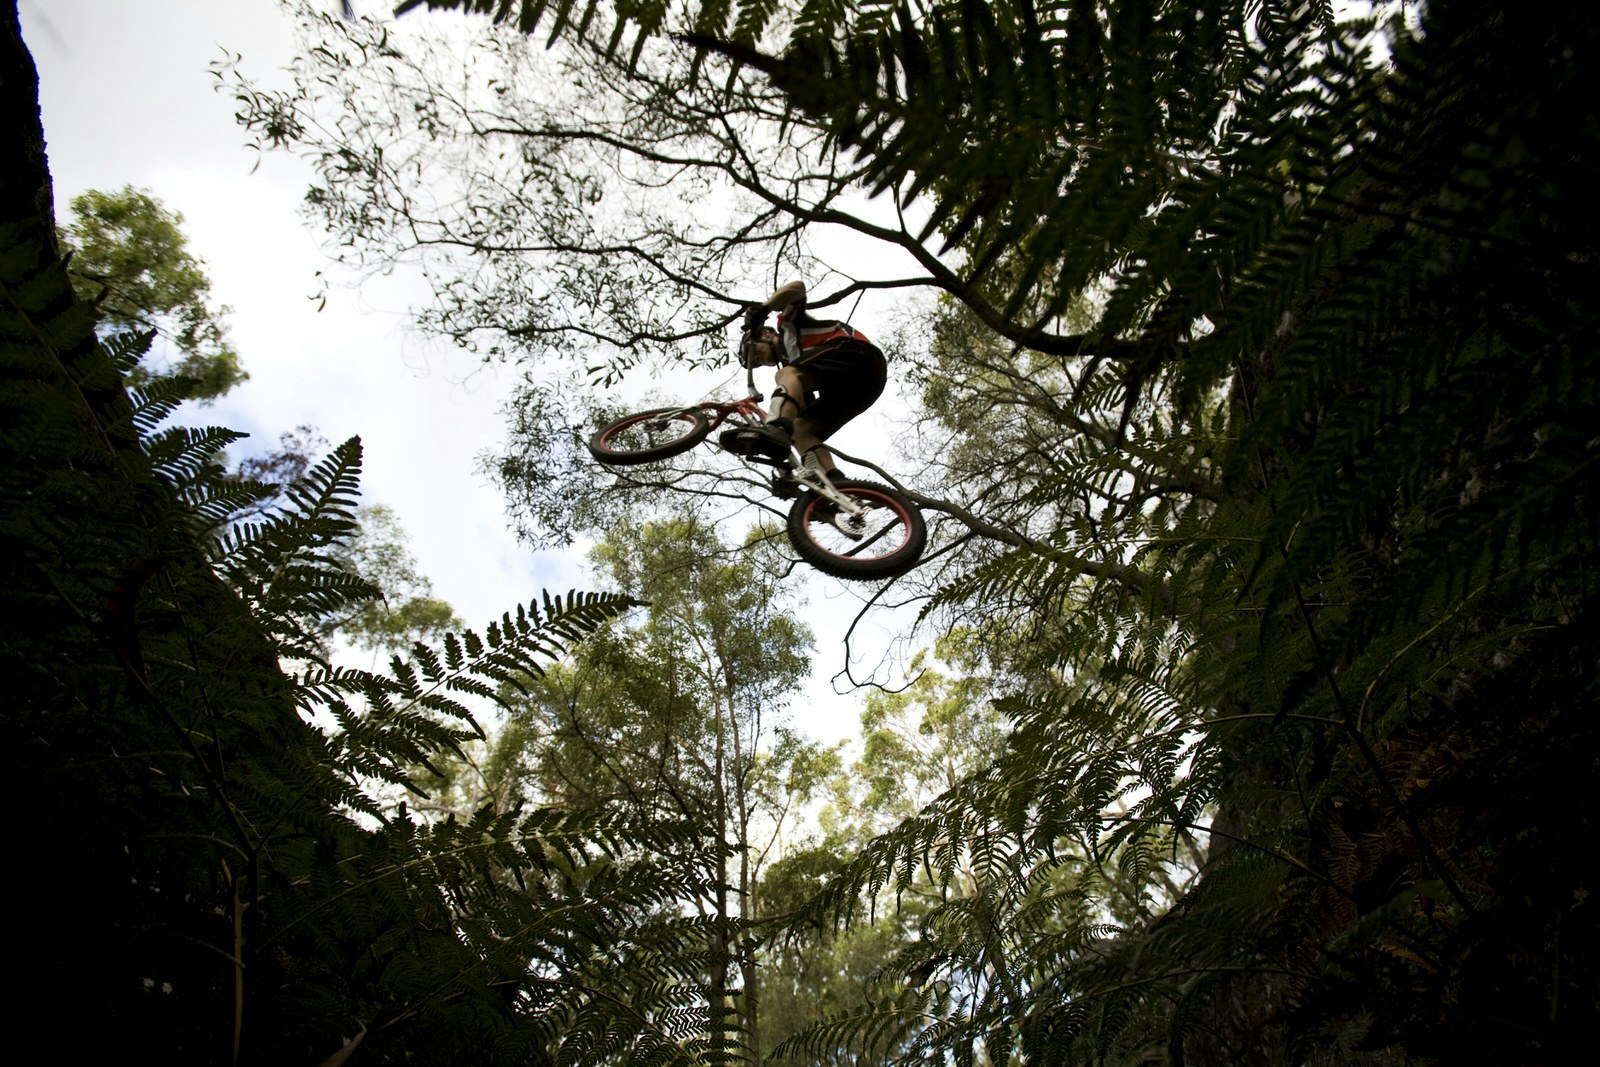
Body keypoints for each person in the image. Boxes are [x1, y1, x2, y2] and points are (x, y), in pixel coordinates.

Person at [731, 280, 887, 487]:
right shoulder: (799, 374)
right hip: (861, 387)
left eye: (754, 353)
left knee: (786, 376)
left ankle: (775, 427)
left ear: (766, 334)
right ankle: (835, 485)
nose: (758, 361)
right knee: (799, 428)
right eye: (756, 363)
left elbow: (797, 288)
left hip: (858, 355)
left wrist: (764, 308)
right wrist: (785, 471)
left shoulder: (788, 327)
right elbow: (800, 411)